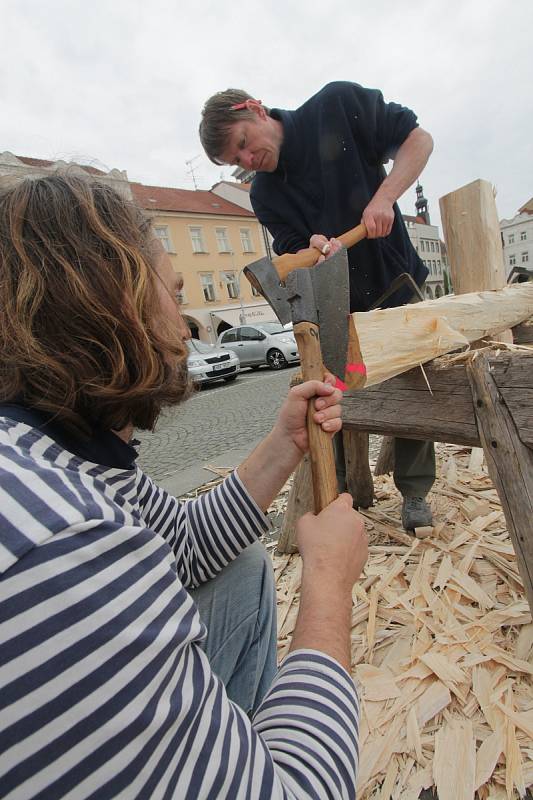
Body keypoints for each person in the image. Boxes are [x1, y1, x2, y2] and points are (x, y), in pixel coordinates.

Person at [0, 172, 368, 799]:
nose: (190, 327)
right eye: (174, 292)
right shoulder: (61, 551)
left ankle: (219, 749)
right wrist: (328, 584)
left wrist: (285, 443)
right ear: (110, 306)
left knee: (241, 570)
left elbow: (185, 547)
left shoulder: (65, 450)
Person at [199, 81, 436, 531]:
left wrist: (384, 197)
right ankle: (342, 492)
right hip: (339, 308)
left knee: (413, 391)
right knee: (337, 399)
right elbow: (290, 254)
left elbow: (418, 140)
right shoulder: (264, 195)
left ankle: (415, 491)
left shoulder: (337, 105)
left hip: (396, 285)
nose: (248, 162)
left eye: (245, 144)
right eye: (236, 162)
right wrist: (310, 245)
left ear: (256, 109)